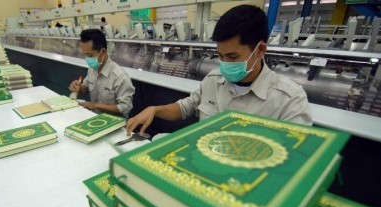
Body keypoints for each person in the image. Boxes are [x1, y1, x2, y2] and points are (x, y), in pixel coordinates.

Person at [126, 5, 312, 135]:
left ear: (261, 50)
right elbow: (186, 107)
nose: (224, 65)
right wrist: (155, 109)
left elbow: (297, 162)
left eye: (232, 57)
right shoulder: (214, 80)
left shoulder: (289, 100)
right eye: (220, 56)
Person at [68, 29, 134, 117]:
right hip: (95, 117)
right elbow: (85, 89)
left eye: (89, 55)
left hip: (114, 123)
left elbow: (125, 107)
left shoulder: (120, 76)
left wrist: (94, 105)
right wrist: (79, 88)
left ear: (103, 52)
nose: (87, 59)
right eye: (85, 55)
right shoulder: (92, 69)